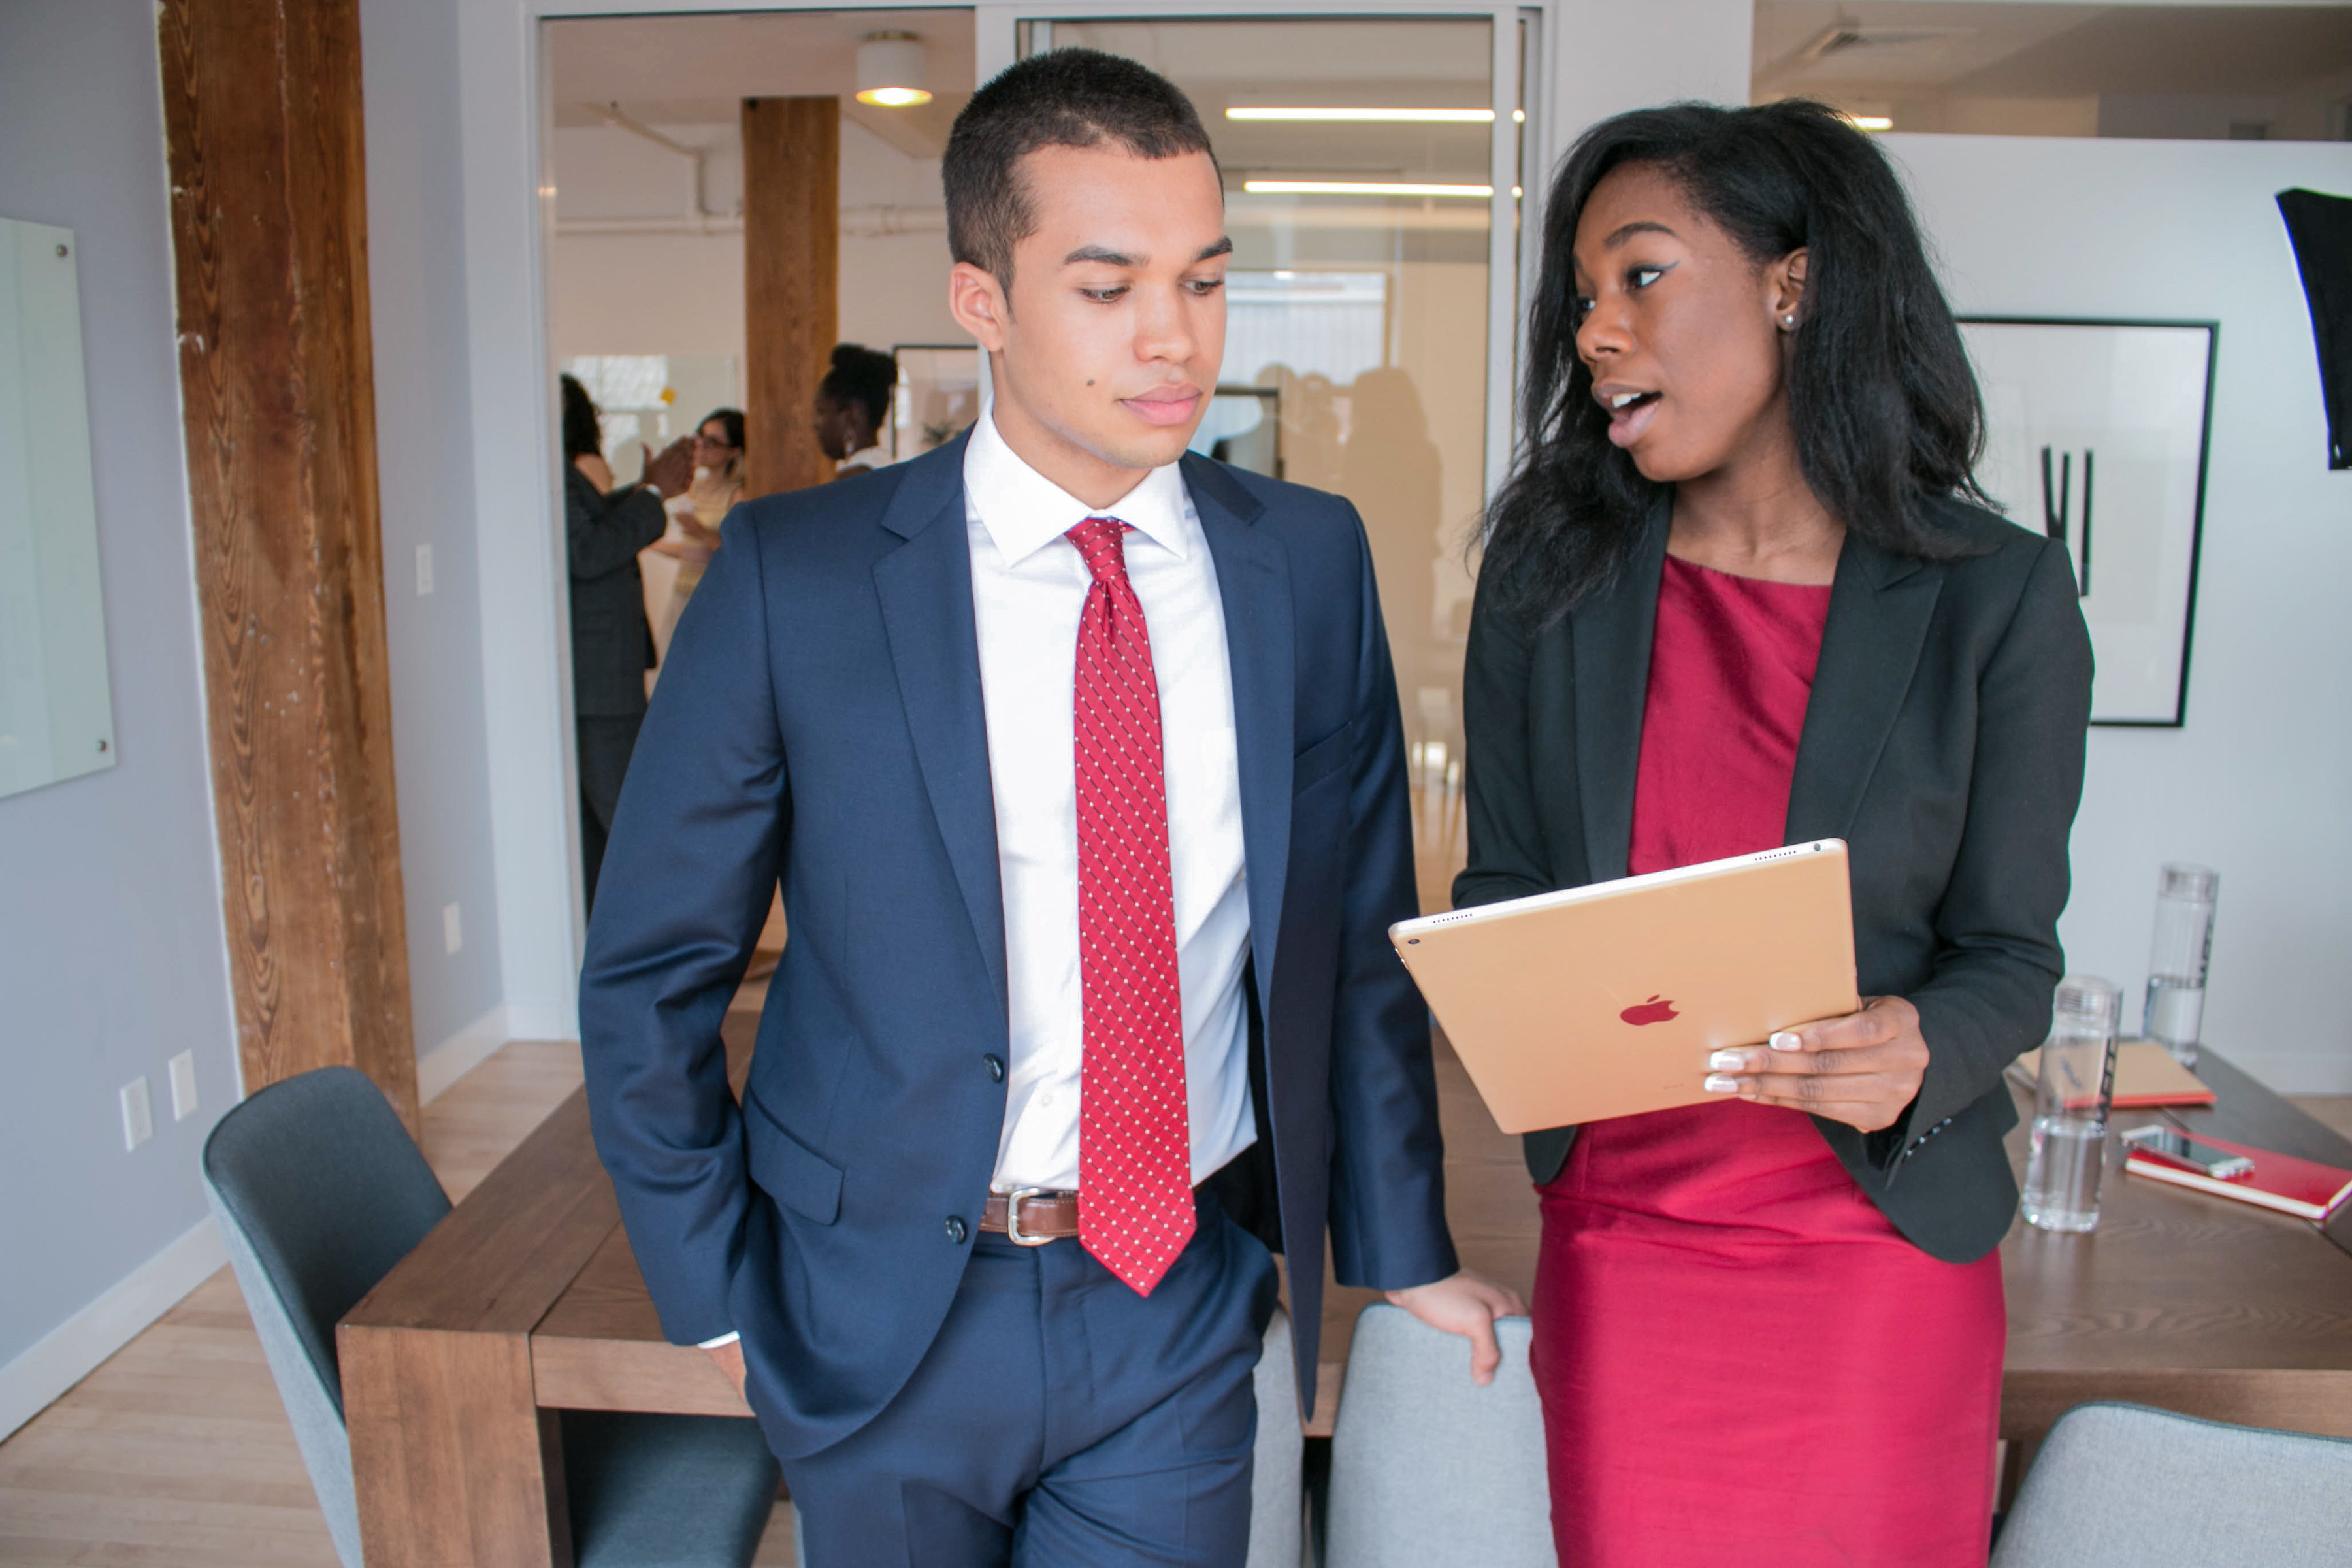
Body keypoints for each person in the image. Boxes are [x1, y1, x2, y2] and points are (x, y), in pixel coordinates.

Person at [578, 49, 1518, 1565]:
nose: (1173, 338)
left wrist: (1405, 1246)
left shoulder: (1308, 560)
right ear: (982, 300)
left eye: (1204, 281)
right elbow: (649, 974)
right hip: (878, 1301)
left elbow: (1352, 934)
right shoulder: (795, 579)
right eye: (1107, 286)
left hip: (1179, 1297)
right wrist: (711, 1287)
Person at [1457, 101, 2092, 1564]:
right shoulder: (1553, 575)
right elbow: (1503, 883)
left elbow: (2012, 955)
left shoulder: (1996, 598)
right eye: (1582, 299)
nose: (1596, 333)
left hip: (1878, 1259)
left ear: (1793, 282)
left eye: (1643, 276)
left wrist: (1923, 1039)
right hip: (1629, 1242)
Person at [560, 372, 694, 909]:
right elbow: (588, 550)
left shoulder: (563, 478)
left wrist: (645, 489)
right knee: (631, 817)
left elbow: (591, 523)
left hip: (599, 673)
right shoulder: (554, 472)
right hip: (598, 678)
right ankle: (667, 940)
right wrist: (656, 492)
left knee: (604, 825)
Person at [649, 406, 745, 642]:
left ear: (733, 451)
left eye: (712, 442)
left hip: (714, 596)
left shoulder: (738, 494)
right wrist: (650, 544)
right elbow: (691, 549)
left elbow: (737, 552)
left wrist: (701, 532)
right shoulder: (695, 487)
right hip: (683, 591)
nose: (701, 446)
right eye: (700, 437)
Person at [813, 342, 897, 476]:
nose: (815, 425)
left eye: (821, 412)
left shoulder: (854, 479)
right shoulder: (887, 466)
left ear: (853, 415)